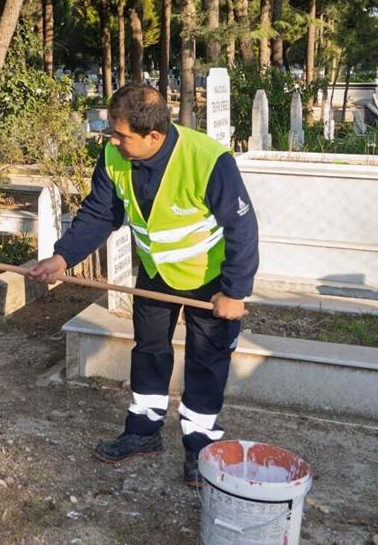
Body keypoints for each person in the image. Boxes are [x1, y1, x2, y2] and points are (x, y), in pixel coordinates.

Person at [26, 83, 258, 484]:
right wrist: (63, 256)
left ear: (154, 136)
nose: (112, 142)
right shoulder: (115, 157)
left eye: (121, 135)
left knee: (207, 359)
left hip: (210, 279)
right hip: (155, 274)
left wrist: (235, 291)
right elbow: (100, 213)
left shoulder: (208, 159)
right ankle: (143, 432)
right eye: (112, 133)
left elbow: (242, 226)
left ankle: (200, 445)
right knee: (149, 351)